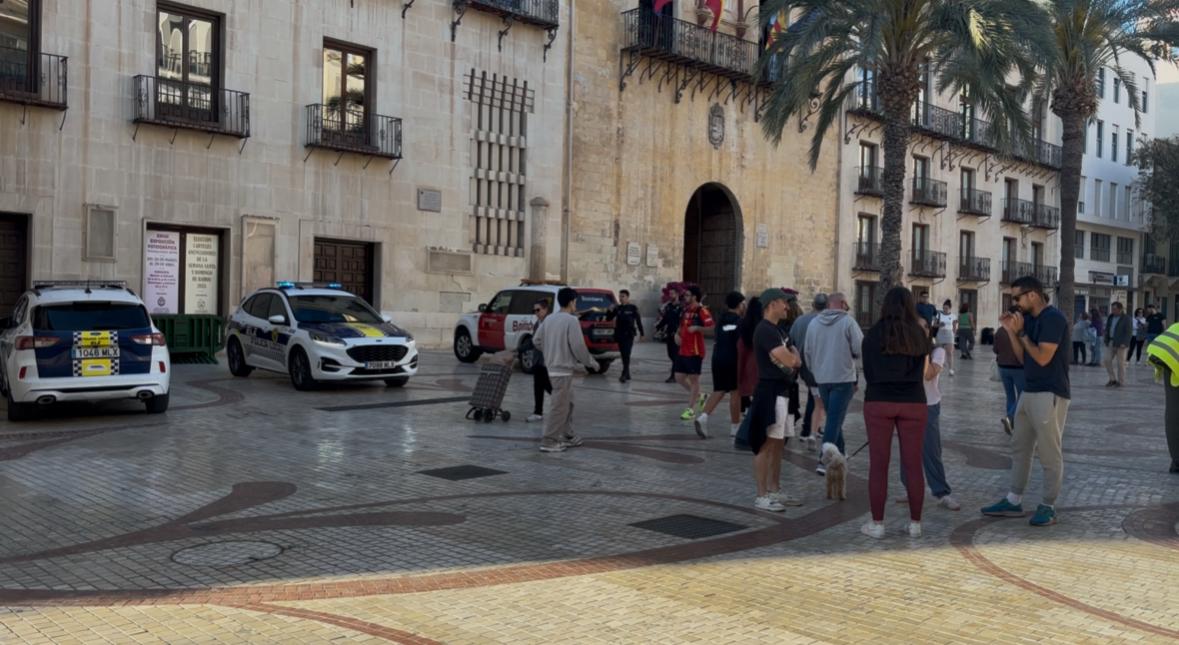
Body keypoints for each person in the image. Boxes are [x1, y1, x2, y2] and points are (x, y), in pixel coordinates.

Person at [982, 276, 1070, 527]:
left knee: (1049, 453)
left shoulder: (1054, 319)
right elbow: (1023, 358)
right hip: (1028, 392)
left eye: (1017, 297)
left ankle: (1048, 505)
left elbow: (1042, 357)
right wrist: (1012, 331)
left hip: (1050, 392)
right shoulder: (1029, 321)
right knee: (1020, 447)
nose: (1015, 303)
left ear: (1033, 294)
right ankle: (1013, 499)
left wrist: (1022, 333)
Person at [860, 286, 931, 539]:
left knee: (878, 465)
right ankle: (915, 524)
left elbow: (867, 371)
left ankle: (877, 524)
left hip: (879, 400)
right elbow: (923, 371)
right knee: (913, 465)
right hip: (913, 401)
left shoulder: (872, 335)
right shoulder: (919, 335)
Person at [746, 288, 803, 511]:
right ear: (771, 304)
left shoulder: (777, 330)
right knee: (766, 445)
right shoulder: (766, 331)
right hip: (770, 393)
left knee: (779, 444)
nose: (787, 307)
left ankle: (775, 489)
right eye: (783, 303)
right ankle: (761, 496)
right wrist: (795, 358)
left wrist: (793, 357)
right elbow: (790, 359)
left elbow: (790, 356)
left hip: (784, 391)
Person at [900, 317, 960, 511]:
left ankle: (942, 492)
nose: (922, 330)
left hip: (929, 406)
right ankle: (909, 487)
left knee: (931, 450)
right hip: (907, 405)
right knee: (907, 450)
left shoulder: (938, 352)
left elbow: (927, 374)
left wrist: (921, 351)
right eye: (916, 327)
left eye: (925, 327)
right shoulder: (903, 352)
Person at [532, 288, 600, 453]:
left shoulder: (549, 319)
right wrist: (591, 363)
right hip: (562, 370)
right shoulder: (571, 321)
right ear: (571, 302)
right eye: (576, 302)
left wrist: (550, 352)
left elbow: (536, 340)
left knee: (568, 403)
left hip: (554, 368)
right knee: (559, 406)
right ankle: (549, 440)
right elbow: (578, 347)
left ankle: (568, 435)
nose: (576, 305)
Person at [804, 291, 863, 474]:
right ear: (843, 303)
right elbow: (859, 347)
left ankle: (842, 454)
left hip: (822, 378)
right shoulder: (848, 322)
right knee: (834, 419)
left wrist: (816, 370)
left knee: (834, 419)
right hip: (843, 378)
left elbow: (807, 351)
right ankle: (824, 459)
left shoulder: (814, 323)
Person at [697, 291, 745, 438]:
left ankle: (703, 416)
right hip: (732, 359)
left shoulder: (721, 320)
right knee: (735, 392)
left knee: (719, 389)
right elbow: (740, 343)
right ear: (740, 304)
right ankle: (735, 427)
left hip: (717, 358)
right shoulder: (739, 322)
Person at [790, 293, 829, 451]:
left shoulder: (800, 320)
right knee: (818, 400)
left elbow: (791, 339)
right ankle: (809, 430)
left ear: (813, 304)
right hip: (819, 365)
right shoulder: (824, 322)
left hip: (802, 364)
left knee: (815, 397)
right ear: (826, 306)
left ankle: (812, 429)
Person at [674, 285, 715, 423]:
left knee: (694, 379)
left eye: (687, 295)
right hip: (683, 349)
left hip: (695, 351)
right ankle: (700, 396)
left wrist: (698, 328)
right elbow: (681, 326)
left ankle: (690, 410)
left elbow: (712, 328)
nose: (685, 297)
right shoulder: (685, 310)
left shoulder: (702, 311)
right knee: (679, 377)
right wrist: (677, 335)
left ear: (694, 297)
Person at [1145, 322, 1179, 473]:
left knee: (1173, 415)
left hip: (1169, 368)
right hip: (1173, 370)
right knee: (1174, 416)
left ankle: (1176, 460)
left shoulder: (1175, 327)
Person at [735, 297, 764, 440]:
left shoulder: (743, 325)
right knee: (760, 401)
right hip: (760, 367)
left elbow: (740, 350)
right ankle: (746, 434)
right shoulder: (763, 327)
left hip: (748, 366)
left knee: (756, 400)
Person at [994, 314, 1025, 436]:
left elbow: (995, 350)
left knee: (1010, 396)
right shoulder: (1020, 331)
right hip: (1018, 367)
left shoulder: (1000, 331)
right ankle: (1010, 417)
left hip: (1003, 367)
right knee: (1022, 395)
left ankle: (1011, 423)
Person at [608, 289, 645, 383]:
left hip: (629, 334)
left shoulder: (633, 308)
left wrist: (642, 334)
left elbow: (638, 321)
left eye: (623, 296)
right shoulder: (618, 308)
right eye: (619, 296)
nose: (620, 298)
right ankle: (627, 373)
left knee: (626, 354)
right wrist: (609, 310)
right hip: (619, 334)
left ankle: (624, 373)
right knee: (623, 354)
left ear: (628, 297)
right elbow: (609, 318)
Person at [527, 299, 552, 423]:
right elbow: (533, 341)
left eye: (538, 310)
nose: (536, 312)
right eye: (534, 310)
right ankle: (538, 412)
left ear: (545, 309)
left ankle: (563, 405)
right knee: (538, 386)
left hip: (546, 360)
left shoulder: (549, 323)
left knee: (547, 386)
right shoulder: (538, 323)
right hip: (538, 360)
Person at [657, 290, 683, 383]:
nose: (670, 295)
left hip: (677, 334)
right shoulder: (668, 306)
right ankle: (679, 368)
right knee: (670, 354)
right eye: (670, 294)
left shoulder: (681, 307)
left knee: (675, 355)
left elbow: (683, 321)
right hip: (669, 333)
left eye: (672, 294)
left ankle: (673, 376)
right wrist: (658, 327)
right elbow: (665, 319)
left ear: (677, 294)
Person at [1103, 302, 1132, 387]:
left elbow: (1128, 332)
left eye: (1114, 309)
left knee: (1120, 364)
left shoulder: (1126, 318)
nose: (1113, 311)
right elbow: (1108, 329)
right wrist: (1106, 339)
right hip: (1111, 342)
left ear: (1120, 309)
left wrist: (1125, 343)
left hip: (1121, 344)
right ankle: (1112, 379)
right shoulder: (1110, 317)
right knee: (1106, 360)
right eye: (1112, 309)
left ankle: (1121, 381)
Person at [934, 299, 957, 376]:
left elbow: (954, 327)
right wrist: (939, 325)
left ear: (950, 308)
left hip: (949, 334)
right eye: (944, 308)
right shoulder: (939, 315)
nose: (945, 309)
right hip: (940, 333)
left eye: (946, 308)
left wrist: (954, 336)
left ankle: (951, 369)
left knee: (950, 353)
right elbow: (934, 325)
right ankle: (938, 368)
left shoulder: (953, 316)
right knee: (938, 351)